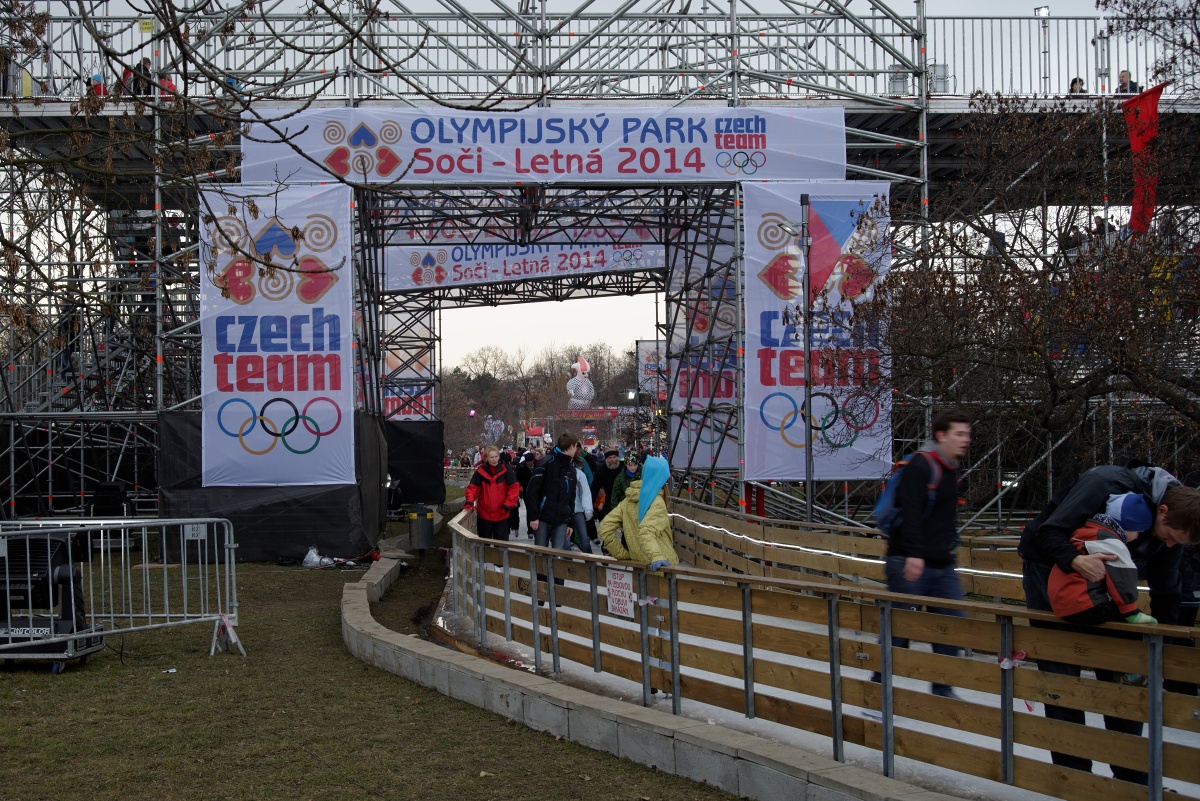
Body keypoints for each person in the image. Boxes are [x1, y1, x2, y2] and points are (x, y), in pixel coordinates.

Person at [1019, 463, 1200, 784]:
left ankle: (1132, 780)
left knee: (1125, 677)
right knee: (1062, 678)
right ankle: (1073, 777)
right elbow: (1046, 532)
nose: (1170, 545)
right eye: (1170, 538)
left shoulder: (1176, 524)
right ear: (1162, 512)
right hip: (1052, 576)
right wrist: (1075, 559)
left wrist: (1163, 648)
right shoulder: (1103, 483)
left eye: (1178, 543)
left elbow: (1167, 590)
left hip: (1109, 587)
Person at [873, 410, 971, 700]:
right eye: (959, 434)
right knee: (900, 629)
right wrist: (914, 553)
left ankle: (942, 688)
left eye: (967, 434)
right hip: (908, 560)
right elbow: (912, 511)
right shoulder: (921, 465)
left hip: (942, 564)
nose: (966, 439)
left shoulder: (951, 470)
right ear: (941, 435)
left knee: (951, 624)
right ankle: (878, 689)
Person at [1047, 493, 1158, 625]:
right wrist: (1130, 610)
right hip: (1086, 605)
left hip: (1062, 604)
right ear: (1127, 526)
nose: (1137, 537)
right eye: (1138, 532)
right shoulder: (1113, 544)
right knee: (1128, 628)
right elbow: (1123, 578)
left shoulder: (1085, 532)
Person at [597, 455, 678, 572]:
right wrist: (656, 556)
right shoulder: (656, 502)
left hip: (638, 563)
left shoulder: (627, 501)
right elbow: (646, 530)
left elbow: (605, 527)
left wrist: (621, 553)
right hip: (662, 565)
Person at [525, 432, 579, 551]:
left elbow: (571, 497)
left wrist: (570, 523)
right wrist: (533, 516)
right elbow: (532, 491)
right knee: (541, 552)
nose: (576, 449)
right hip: (543, 517)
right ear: (571, 446)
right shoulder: (546, 462)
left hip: (562, 519)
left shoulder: (571, 469)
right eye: (576, 446)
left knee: (558, 554)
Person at [463, 446, 519, 541]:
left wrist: (508, 504)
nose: (494, 459)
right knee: (484, 544)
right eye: (491, 457)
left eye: (496, 456)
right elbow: (473, 488)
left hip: (502, 513)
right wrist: (469, 501)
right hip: (484, 514)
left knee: (501, 544)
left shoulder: (506, 470)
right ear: (486, 458)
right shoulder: (480, 472)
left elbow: (514, 488)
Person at [570, 444, 595, 554]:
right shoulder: (557, 471)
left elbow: (585, 492)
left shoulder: (579, 473)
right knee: (565, 541)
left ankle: (590, 561)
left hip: (577, 509)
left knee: (584, 538)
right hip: (563, 511)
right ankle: (566, 561)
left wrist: (588, 509)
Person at [592, 449, 623, 520]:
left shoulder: (623, 467)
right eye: (610, 458)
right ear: (606, 459)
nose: (613, 460)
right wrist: (591, 505)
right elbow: (594, 488)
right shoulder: (602, 470)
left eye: (614, 457)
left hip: (624, 500)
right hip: (609, 500)